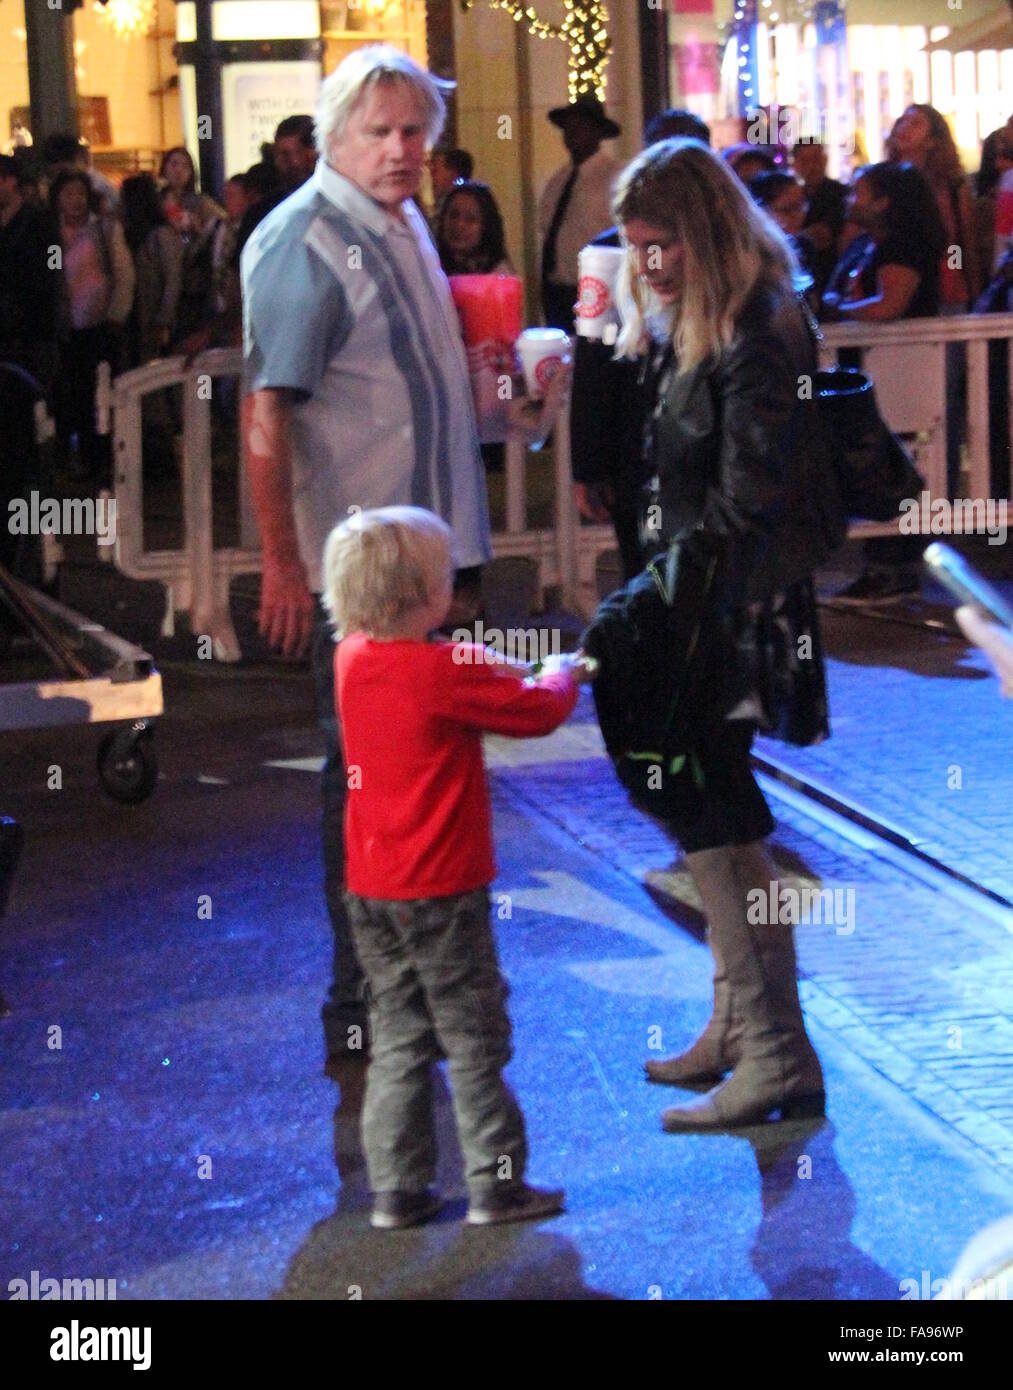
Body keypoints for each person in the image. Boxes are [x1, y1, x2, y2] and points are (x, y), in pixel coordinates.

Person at [241, 45, 566, 1094]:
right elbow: (266, 410)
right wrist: (281, 562)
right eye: (377, 131)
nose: (398, 150)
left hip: (426, 565)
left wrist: (507, 392)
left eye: (412, 132)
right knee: (369, 791)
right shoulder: (304, 239)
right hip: (364, 577)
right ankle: (365, 1004)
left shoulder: (404, 222)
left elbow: (416, 387)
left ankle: (402, 996)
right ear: (332, 133)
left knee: (413, 783)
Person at [597, 138, 840, 1130]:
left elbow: (741, 500)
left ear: (697, 233)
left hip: (725, 612)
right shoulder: (713, 312)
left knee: (715, 818)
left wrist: (645, 605)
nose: (642, 263)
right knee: (714, 818)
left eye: (656, 244)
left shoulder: (751, 326)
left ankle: (773, 1051)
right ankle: (744, 1029)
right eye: (632, 246)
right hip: (704, 601)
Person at [326, 505, 588, 1228]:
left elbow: (464, 673)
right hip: (442, 885)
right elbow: (534, 709)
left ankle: (398, 1190)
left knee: (400, 1034)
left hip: (372, 887)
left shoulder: (352, 659)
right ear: (422, 593)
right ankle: (496, 1182)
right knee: (475, 1035)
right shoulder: (439, 669)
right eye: (447, 576)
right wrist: (562, 671)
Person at [570, 109, 710, 582]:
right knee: (645, 569)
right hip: (636, 449)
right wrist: (589, 464)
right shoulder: (609, 255)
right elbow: (593, 360)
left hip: (696, 456)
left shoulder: (724, 257)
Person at [822, 162, 947, 605]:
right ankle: (886, 566)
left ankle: (893, 568)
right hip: (888, 373)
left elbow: (889, 305)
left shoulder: (903, 246)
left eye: (860, 192)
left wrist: (837, 309)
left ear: (884, 202)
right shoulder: (868, 245)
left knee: (894, 463)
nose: (850, 199)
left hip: (905, 372)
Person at [50, 167, 134, 483]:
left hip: (101, 325)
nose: (75, 200)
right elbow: (54, 275)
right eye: (68, 194)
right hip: (66, 327)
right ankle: (82, 459)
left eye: (80, 194)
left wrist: (117, 313)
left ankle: (102, 459)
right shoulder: (53, 235)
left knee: (101, 393)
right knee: (72, 396)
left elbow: (123, 274)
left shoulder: (104, 230)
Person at [539, 94, 623, 332]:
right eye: (569, 126)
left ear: (598, 132)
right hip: (558, 290)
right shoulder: (557, 181)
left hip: (599, 288)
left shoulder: (615, 177)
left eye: (581, 126)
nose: (573, 132)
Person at [0, 152, 60, 390]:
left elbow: (55, 260)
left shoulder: (42, 222)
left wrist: (50, 279)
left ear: (10, 181)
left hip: (35, 331)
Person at [158, 146, 224, 343]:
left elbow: (222, 223)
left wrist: (200, 230)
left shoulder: (200, 203)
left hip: (191, 283)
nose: (178, 170)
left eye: (185, 166)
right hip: (160, 276)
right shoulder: (155, 201)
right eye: (174, 164)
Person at [120, 173, 184, 366]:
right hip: (136, 314)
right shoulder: (128, 232)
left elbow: (173, 279)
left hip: (151, 314)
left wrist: (164, 320)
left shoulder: (160, 234)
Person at [748, 169, 819, 310]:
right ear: (761, 211)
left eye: (801, 208)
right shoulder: (750, 254)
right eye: (787, 210)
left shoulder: (804, 247)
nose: (797, 217)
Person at [790, 136, 847, 298]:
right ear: (795, 164)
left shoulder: (839, 195)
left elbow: (822, 235)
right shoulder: (794, 195)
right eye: (805, 160)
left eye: (816, 159)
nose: (812, 166)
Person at [434, 179, 512, 276]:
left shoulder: (499, 275)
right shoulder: (431, 263)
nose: (459, 225)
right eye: (453, 215)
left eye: (470, 219)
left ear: (486, 226)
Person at [272, 114, 318, 195]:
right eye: (276, 155)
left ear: (312, 152)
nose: (279, 162)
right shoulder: (273, 203)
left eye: (286, 155)